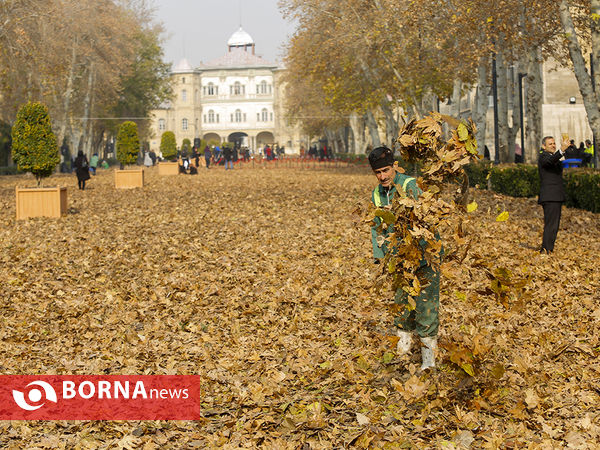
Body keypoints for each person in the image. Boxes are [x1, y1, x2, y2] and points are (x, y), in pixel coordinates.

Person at [368, 146, 441, 371]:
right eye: (378, 172)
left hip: (424, 255)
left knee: (426, 303)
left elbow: (426, 219)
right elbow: (377, 226)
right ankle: (404, 348)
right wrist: (380, 256)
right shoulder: (377, 193)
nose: (383, 176)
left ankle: (429, 360)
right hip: (399, 258)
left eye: (386, 170)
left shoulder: (411, 185)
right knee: (402, 301)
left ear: (394, 167)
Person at [538, 136, 568, 253]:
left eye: (554, 143)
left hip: (556, 196)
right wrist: (561, 151)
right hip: (550, 197)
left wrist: (565, 150)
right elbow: (549, 162)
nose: (553, 145)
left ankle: (549, 249)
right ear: (543, 146)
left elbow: (556, 161)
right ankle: (545, 250)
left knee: (554, 225)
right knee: (551, 225)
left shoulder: (553, 158)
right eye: (550, 144)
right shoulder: (543, 157)